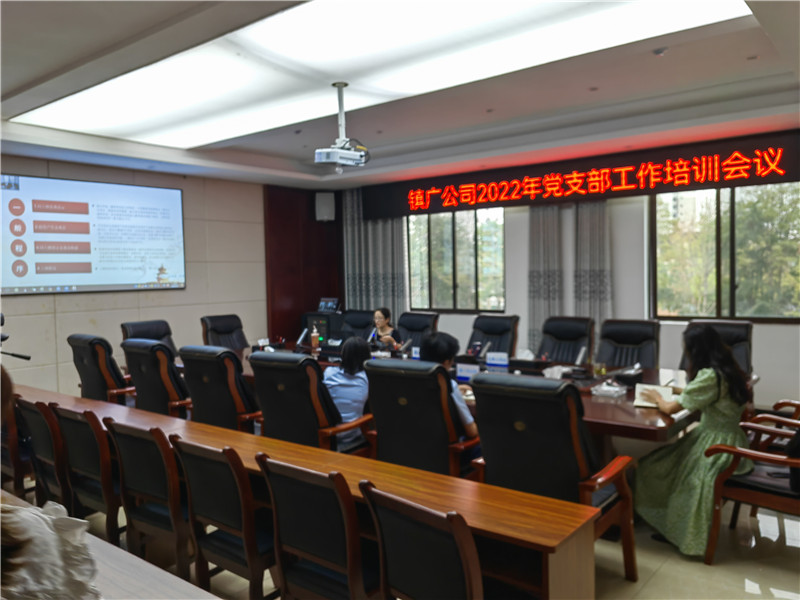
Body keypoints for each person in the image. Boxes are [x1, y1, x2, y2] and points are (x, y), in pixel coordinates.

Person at [634, 324, 753, 557]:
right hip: (733, 441)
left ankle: (681, 532)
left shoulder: (710, 376)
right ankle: (668, 520)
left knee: (655, 468)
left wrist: (657, 397)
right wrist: (679, 391)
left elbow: (669, 409)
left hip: (716, 448)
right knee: (666, 464)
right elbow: (705, 393)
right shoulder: (730, 370)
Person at [419, 332, 478, 440]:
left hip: (415, 442)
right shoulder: (451, 386)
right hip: (449, 447)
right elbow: (471, 431)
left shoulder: (412, 381)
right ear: (447, 362)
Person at [323, 336, 373, 448]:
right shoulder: (367, 378)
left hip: (327, 433)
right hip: (350, 435)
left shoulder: (329, 372)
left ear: (342, 354)